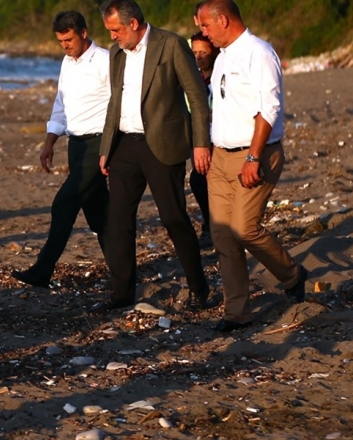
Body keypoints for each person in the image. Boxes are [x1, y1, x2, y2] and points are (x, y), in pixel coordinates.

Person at [196, 0, 308, 332]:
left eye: (205, 26)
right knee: (222, 236)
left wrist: (252, 157)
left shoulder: (259, 52)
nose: (202, 33)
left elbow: (268, 108)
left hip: (255, 153)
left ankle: (292, 274)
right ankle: (237, 313)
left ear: (223, 20)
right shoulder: (222, 56)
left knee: (244, 228)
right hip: (220, 156)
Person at [93, 0, 211, 313]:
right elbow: (114, 102)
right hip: (123, 146)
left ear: (133, 23)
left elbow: (197, 96)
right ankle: (121, 295)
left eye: (116, 29)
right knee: (118, 221)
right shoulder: (117, 53)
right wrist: (106, 148)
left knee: (173, 218)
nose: (112, 36)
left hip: (162, 144)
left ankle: (199, 288)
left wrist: (201, 143)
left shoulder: (170, 44)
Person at [11, 11, 112, 288]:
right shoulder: (67, 63)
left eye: (69, 39)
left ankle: (42, 270)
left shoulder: (105, 61)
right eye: (60, 41)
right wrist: (49, 142)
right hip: (75, 144)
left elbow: (121, 103)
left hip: (98, 143)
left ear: (83, 33)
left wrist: (113, 147)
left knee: (64, 202)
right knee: (99, 214)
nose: (65, 45)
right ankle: (122, 273)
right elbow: (61, 104)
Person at [189, 30, 221, 249]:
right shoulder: (194, 79)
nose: (198, 57)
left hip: (221, 137)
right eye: (195, 52)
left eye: (203, 52)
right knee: (198, 180)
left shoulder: (220, 75)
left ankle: (215, 228)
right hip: (201, 138)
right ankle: (209, 225)